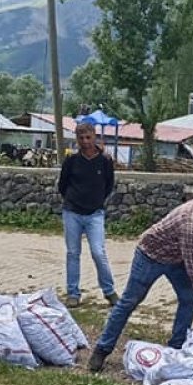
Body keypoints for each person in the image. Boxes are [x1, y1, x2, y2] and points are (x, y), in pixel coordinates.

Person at [88, 194, 193, 372]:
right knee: (129, 302)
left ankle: (176, 348)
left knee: (189, 298)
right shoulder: (192, 225)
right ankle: (102, 349)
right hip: (150, 255)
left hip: (176, 258)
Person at [58, 122, 118, 308]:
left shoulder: (105, 161)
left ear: (95, 137)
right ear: (77, 140)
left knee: (98, 252)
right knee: (73, 253)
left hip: (95, 214)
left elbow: (109, 184)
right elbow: (62, 184)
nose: (85, 142)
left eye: (88, 137)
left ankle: (109, 291)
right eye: (81, 138)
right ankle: (73, 293)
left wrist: (97, 200)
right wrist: (72, 199)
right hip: (73, 212)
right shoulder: (72, 161)